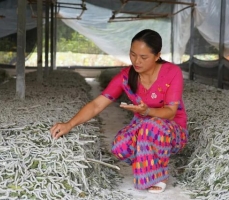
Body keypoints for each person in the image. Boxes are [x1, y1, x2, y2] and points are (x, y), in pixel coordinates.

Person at [50, 29, 188, 193]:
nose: (137, 61)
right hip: (142, 127)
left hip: (172, 130)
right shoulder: (126, 77)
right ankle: (150, 159)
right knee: (120, 146)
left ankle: (159, 175)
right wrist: (69, 124)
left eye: (144, 57)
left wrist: (147, 111)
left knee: (151, 127)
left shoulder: (171, 72)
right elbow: (97, 105)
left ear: (157, 56)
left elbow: (171, 112)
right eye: (133, 54)